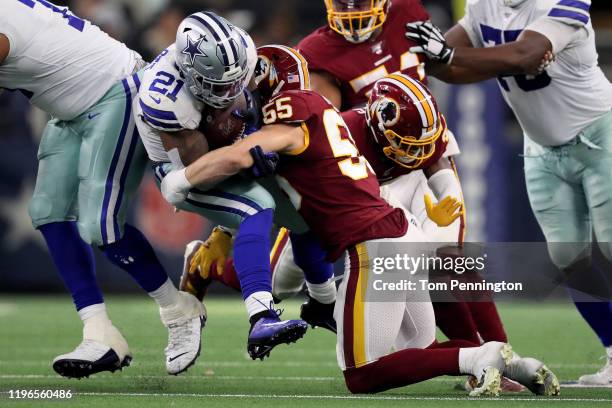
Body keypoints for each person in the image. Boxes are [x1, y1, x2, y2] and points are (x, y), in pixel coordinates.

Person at [160, 48, 560, 396]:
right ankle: (509, 362)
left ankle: (480, 354)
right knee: (413, 351)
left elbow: (237, 158)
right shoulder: (328, 116)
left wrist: (177, 181)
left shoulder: (290, 118)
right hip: (402, 233)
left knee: (361, 373)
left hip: (371, 245)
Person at [406, 0, 612, 385]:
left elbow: (526, 54)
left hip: (601, 134)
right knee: (569, 257)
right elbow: (446, 66)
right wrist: (427, 49)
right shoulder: (485, 5)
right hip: (542, 148)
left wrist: (448, 53)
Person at [0, 0, 204, 378]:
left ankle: (179, 310)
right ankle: (100, 331)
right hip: (70, 108)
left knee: (100, 225)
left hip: (116, 91)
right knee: (47, 212)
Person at [133, 13, 308, 360]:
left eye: (236, 80)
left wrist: (259, 137)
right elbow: (200, 168)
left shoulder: (239, 52)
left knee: (308, 215)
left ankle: (207, 265)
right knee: (256, 206)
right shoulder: (166, 98)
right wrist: (248, 147)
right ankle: (262, 317)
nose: (231, 92)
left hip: (232, 143)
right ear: (191, 74)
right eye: (220, 87)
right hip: (183, 171)